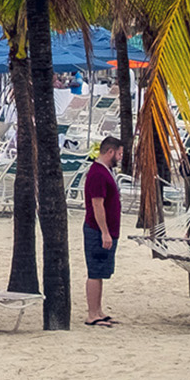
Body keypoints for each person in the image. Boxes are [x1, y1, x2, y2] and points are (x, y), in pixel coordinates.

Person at [83, 135, 124, 326]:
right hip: (97, 230)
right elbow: (97, 205)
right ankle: (92, 314)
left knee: (101, 271)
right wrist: (104, 232)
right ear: (110, 152)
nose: (120, 157)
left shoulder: (105, 171)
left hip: (106, 229)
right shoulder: (98, 173)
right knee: (95, 271)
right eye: (119, 153)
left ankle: (98, 310)